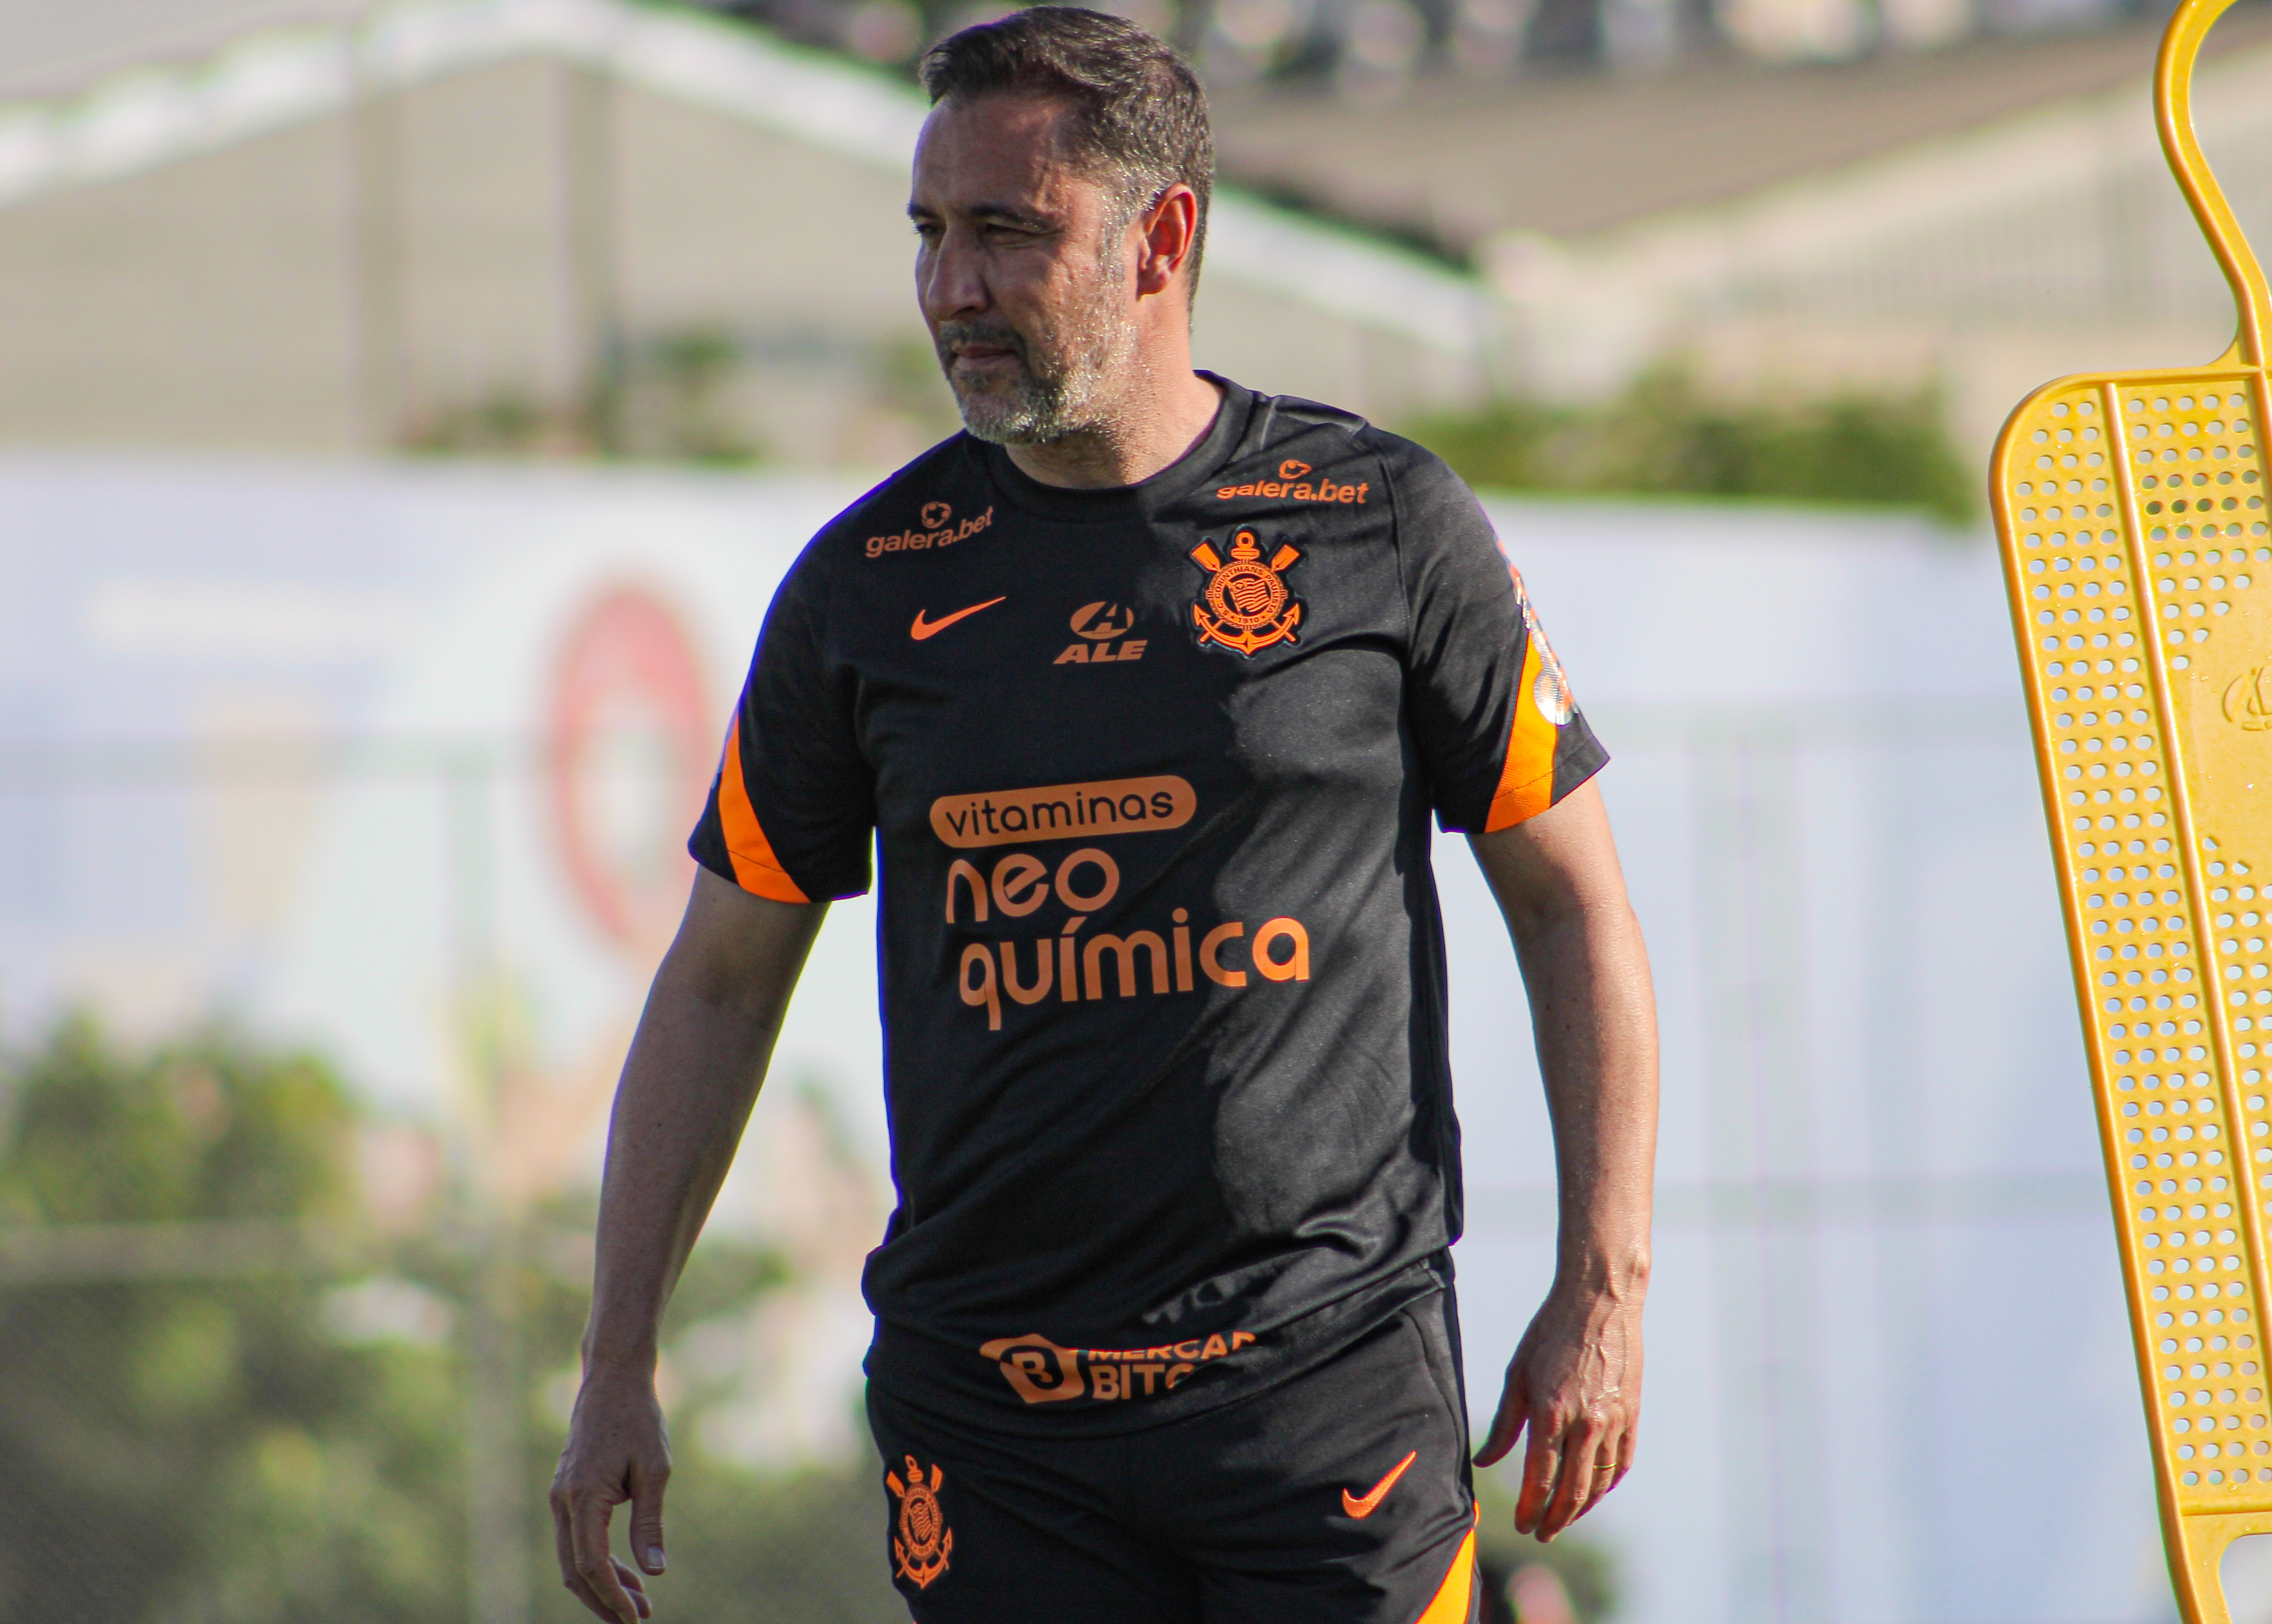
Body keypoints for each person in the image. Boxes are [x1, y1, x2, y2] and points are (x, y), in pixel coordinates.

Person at [549, 9, 1657, 1622]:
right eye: (930, 235)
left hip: (1327, 1401)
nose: (951, 289)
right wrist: (614, 1360)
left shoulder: (1381, 524)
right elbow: (720, 979)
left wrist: (1601, 1288)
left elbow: (1574, 906)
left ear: (1163, 239)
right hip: (997, 1432)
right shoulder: (868, 587)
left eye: (1008, 231)